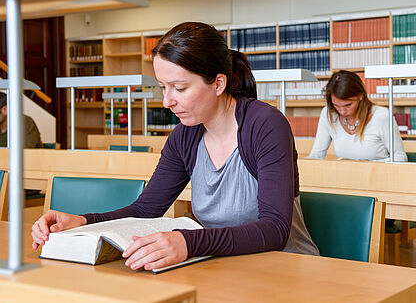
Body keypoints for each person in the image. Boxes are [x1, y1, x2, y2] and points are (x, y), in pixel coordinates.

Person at [32, 22, 319, 271]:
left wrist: (188, 241)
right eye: (163, 87)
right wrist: (83, 221)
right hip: (222, 265)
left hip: (286, 268)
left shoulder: (265, 125)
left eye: (179, 88)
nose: (167, 101)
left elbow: (275, 229)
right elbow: (146, 209)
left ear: (218, 83)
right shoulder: (184, 136)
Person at [308, 70, 407, 162]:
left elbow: (400, 157)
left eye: (348, 105)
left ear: (361, 96)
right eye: (336, 105)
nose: (342, 111)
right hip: (344, 178)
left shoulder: (381, 116)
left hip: (378, 177)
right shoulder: (328, 114)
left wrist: (370, 164)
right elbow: (316, 155)